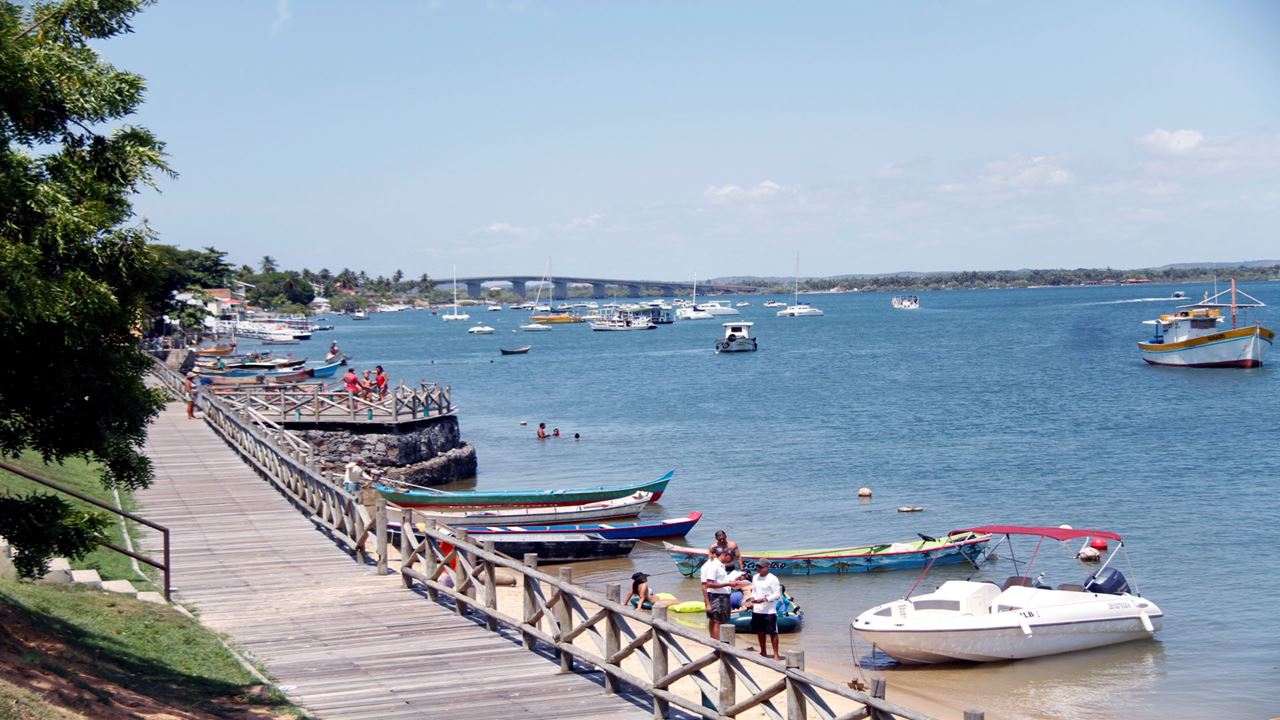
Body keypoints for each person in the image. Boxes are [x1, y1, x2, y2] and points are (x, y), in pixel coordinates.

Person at [701, 549, 740, 641]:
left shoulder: (720, 566)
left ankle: (715, 643)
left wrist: (729, 582)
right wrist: (728, 584)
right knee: (718, 621)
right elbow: (709, 584)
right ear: (725, 555)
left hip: (720, 596)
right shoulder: (715, 566)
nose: (732, 560)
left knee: (715, 620)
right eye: (731, 557)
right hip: (719, 597)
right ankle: (718, 645)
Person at [748, 559, 783, 660]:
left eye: (760, 567)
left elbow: (777, 594)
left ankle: (776, 654)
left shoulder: (773, 579)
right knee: (760, 631)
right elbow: (754, 590)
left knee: (773, 632)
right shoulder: (755, 577)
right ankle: (763, 651)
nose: (758, 569)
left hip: (769, 610)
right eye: (757, 567)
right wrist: (752, 599)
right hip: (757, 609)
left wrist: (764, 599)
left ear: (767, 567)